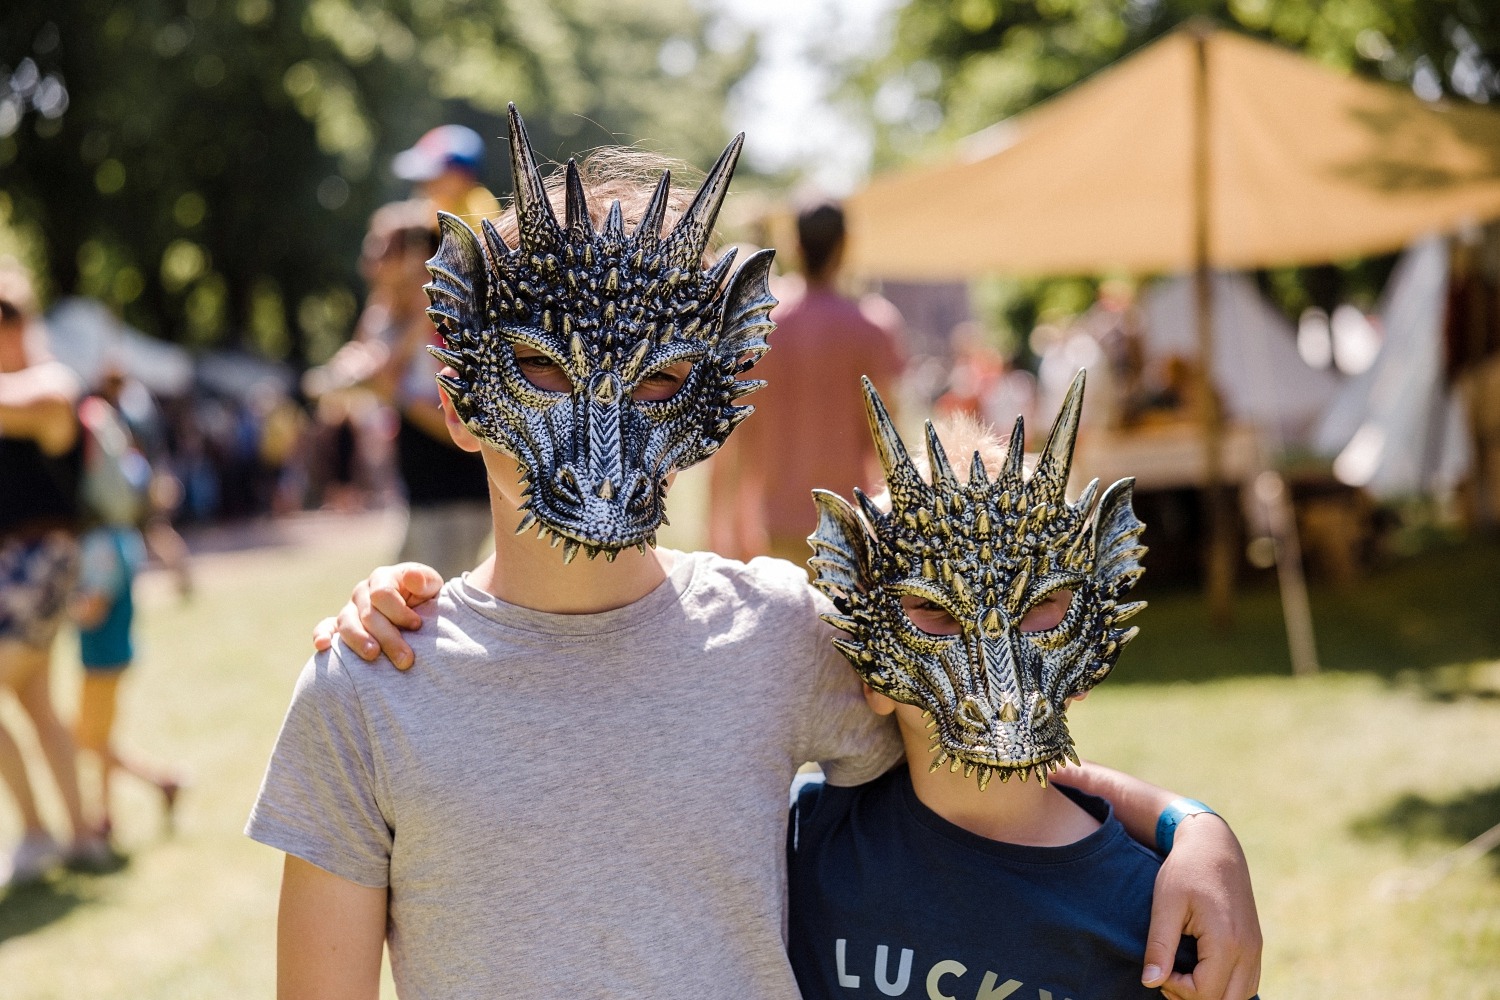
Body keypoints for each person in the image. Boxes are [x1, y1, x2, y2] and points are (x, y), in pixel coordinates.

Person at [256, 107, 1259, 998]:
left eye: (658, 380)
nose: (604, 446)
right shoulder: (368, 687)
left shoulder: (785, 635)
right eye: (539, 368)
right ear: (458, 394)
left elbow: (996, 745)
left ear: (715, 394)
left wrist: (1191, 830)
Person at [787, 374, 1257, 1000]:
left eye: (1041, 607)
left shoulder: (1164, 920)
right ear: (868, 668)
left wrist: (1198, 830)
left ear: (1092, 642)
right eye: (935, 610)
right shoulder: (799, 843)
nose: (998, 664)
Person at [710, 199, 906, 564]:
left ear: (794, 245)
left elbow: (736, 434)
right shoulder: (873, 327)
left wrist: (722, 525)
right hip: (848, 523)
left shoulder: (760, 326)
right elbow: (886, 439)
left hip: (771, 523)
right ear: (845, 245)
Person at [305, 202, 492, 579]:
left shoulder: (450, 322)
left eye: (381, 251)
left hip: (457, 496)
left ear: (416, 257)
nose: (368, 263)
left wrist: (391, 393)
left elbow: (469, 429)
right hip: (422, 496)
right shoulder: (385, 313)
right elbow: (352, 369)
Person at [0, 259, 106, 884]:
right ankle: (81, 836)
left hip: (42, 562)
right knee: (36, 703)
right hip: (17, 567)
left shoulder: (51, 385)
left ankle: (39, 835)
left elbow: (37, 406)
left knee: (34, 701)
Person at [71, 369, 184, 843]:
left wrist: (57, 608)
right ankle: (106, 815)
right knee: (99, 734)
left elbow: (91, 607)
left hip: (102, 649)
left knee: (86, 738)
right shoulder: (120, 538)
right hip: (115, 646)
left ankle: (162, 780)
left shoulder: (98, 543)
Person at [392, 124, 503, 223]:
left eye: (437, 179)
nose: (427, 186)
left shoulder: (478, 209)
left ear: (463, 177)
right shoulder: (435, 204)